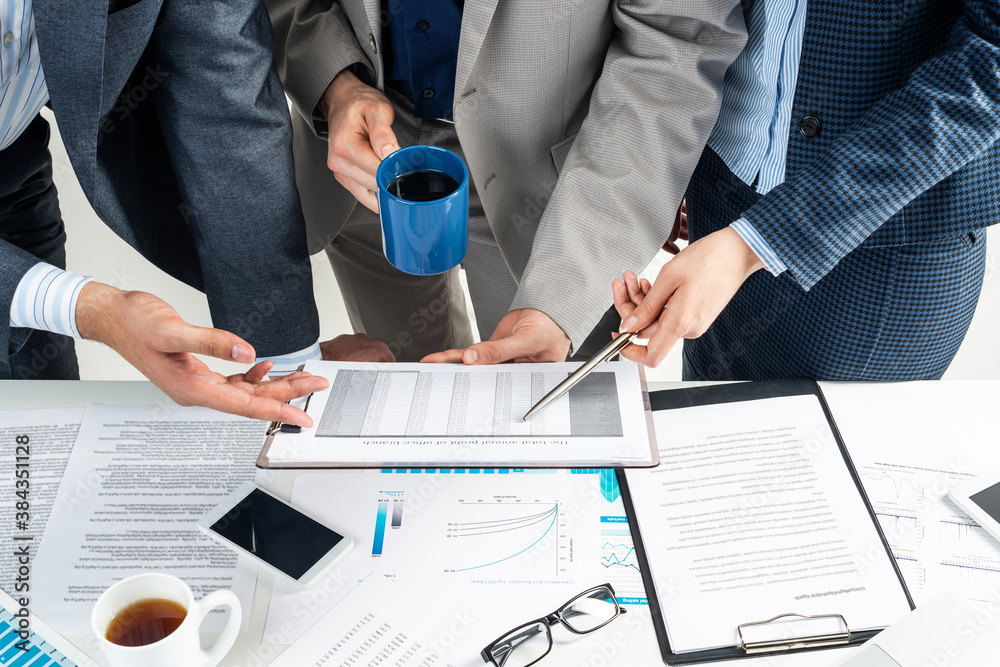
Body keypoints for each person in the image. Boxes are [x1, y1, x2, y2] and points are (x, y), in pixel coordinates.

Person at [264, 0, 747, 364]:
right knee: (412, 406)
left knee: (542, 416)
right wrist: (335, 86)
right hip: (362, 168)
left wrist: (559, 305)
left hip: (554, 190)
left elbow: (676, 38)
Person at [0, 0, 391, 425]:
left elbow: (222, 85)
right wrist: (97, 310)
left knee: (37, 435)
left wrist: (289, 366)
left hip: (12, 175)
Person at [613, 0, 1000, 381]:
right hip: (718, 201)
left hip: (876, 250)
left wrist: (754, 243)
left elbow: (991, 62)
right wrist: (668, 170)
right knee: (708, 430)